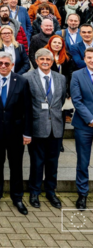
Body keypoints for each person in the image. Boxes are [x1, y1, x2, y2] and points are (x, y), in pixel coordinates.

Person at [0, 51, 31, 215]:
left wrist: (27, 133)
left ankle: (17, 197)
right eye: (0, 63)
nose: (3, 66)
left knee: (16, 166)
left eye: (7, 64)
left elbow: (27, 109)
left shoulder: (22, 81)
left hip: (15, 132)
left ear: (12, 65)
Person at [24, 48, 67, 209]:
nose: (45, 62)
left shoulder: (60, 78)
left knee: (52, 162)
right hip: (37, 126)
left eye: (48, 59)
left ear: (52, 61)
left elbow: (60, 101)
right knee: (36, 162)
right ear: (36, 61)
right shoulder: (27, 77)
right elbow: (26, 104)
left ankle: (50, 191)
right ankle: (34, 192)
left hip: (56, 127)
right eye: (42, 59)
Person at [70, 47, 93, 209]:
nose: (92, 60)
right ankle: (82, 194)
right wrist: (90, 119)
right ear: (84, 59)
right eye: (89, 57)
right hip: (84, 126)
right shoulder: (77, 75)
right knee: (83, 161)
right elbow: (77, 100)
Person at [45, 35, 75, 140]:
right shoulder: (44, 55)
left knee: (60, 115)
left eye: (59, 43)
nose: (57, 45)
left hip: (62, 89)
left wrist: (69, 90)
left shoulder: (67, 56)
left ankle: (59, 140)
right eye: (55, 42)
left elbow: (70, 74)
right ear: (50, 43)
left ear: (62, 45)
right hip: (48, 88)